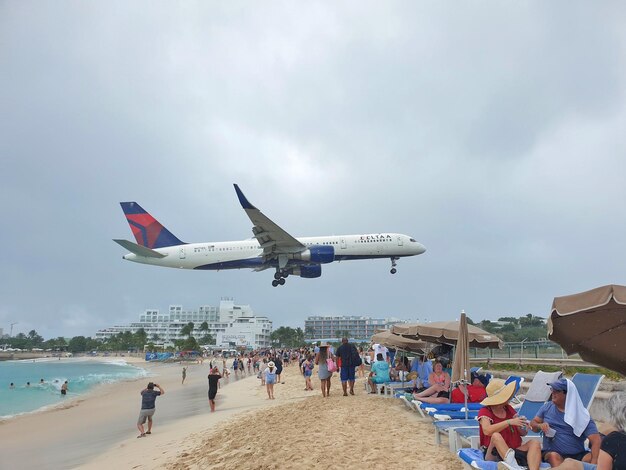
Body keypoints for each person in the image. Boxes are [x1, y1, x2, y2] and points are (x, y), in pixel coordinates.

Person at [529, 378, 602, 467]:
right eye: (552, 390)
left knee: (601, 458)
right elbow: (533, 423)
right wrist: (539, 425)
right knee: (553, 456)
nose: (553, 393)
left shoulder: (580, 415)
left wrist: (594, 464)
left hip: (578, 454)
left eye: (556, 391)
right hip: (553, 452)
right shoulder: (547, 407)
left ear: (567, 394)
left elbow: (596, 440)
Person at [478, 378, 542, 470]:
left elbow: (522, 433)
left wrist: (522, 425)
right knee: (496, 436)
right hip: (494, 453)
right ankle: (514, 467)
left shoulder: (508, 408)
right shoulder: (485, 411)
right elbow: (487, 430)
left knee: (534, 443)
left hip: (515, 450)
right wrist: (508, 422)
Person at [552, 391, 626, 470]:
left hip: (601, 459)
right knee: (569, 462)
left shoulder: (614, 439)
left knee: (565, 462)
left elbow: (595, 442)